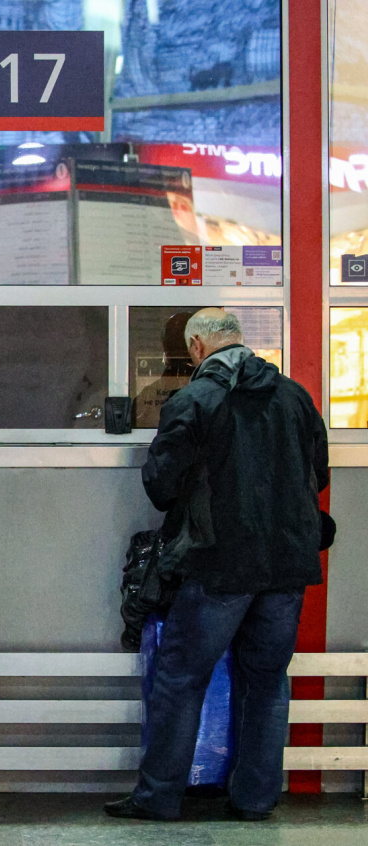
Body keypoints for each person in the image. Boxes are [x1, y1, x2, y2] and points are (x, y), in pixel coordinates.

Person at [105, 308, 328, 823]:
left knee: (180, 678)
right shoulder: (294, 397)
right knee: (267, 681)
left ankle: (158, 797)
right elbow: (318, 472)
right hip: (287, 565)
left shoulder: (194, 399)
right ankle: (255, 799)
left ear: (197, 348)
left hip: (219, 563)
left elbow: (161, 487)